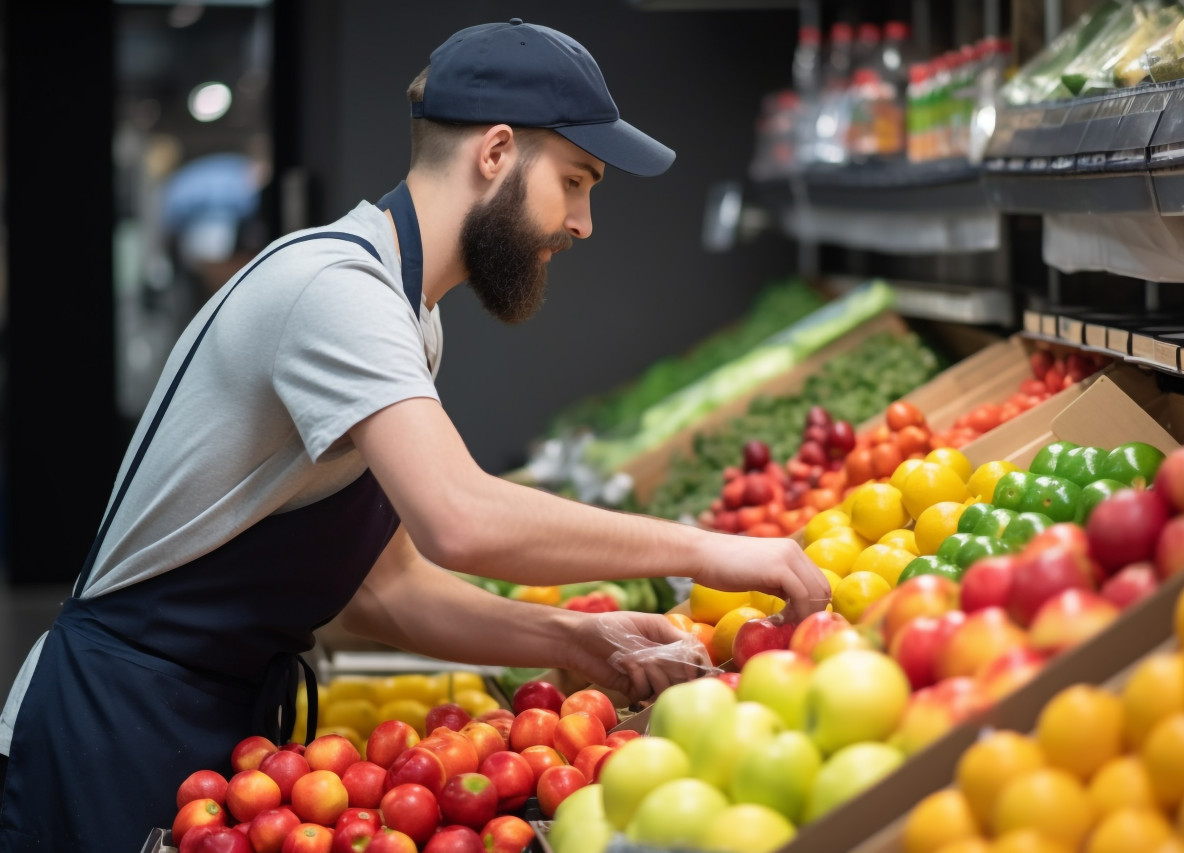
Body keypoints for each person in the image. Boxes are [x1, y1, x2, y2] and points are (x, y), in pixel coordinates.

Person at [0, 19, 829, 851]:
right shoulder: (338, 291)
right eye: (576, 181)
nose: (582, 223)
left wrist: (574, 637)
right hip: (107, 728)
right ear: (496, 153)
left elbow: (383, 586)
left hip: (204, 725)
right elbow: (458, 516)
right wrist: (707, 550)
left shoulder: (407, 312)